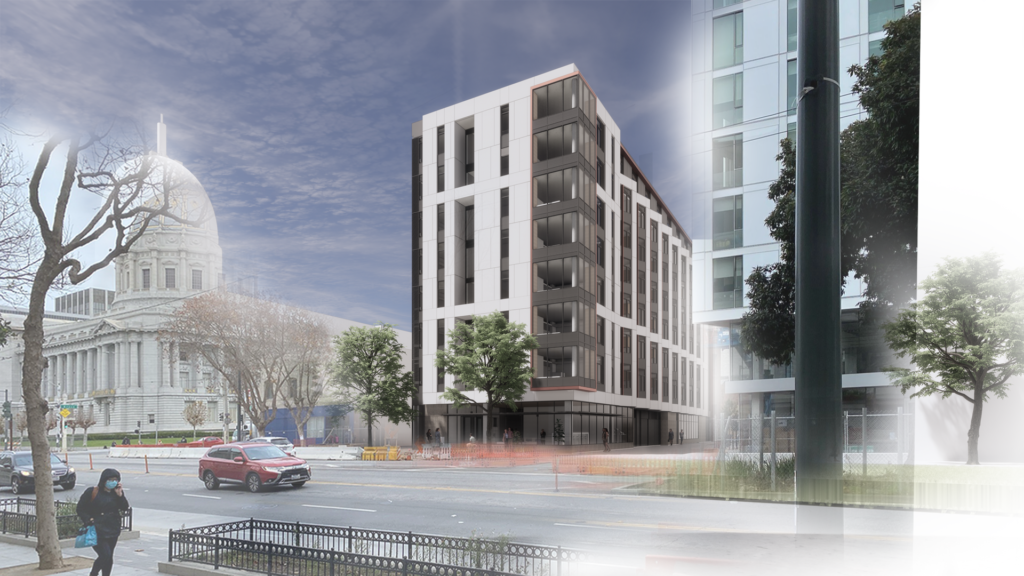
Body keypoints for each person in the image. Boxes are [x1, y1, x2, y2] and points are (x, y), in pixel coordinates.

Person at [77, 468, 130, 576]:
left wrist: (120, 495)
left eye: (115, 479)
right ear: (104, 480)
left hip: (112, 528)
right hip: (97, 529)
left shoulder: (116, 493)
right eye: (110, 479)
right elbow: (80, 508)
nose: (113, 482)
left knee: (109, 556)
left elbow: (124, 507)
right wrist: (88, 519)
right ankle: (94, 573)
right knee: (105, 554)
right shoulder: (92, 491)